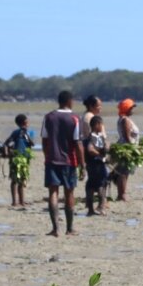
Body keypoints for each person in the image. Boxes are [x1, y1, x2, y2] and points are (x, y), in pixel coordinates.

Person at [42, 90, 85, 237]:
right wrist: (82, 164)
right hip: (69, 161)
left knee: (53, 192)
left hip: (51, 160)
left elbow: (44, 140)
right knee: (69, 193)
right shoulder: (74, 118)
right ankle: (69, 228)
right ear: (69, 101)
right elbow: (78, 143)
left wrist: (47, 156)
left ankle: (55, 229)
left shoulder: (48, 117)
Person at [3, 113, 34, 207]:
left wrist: (27, 135)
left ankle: (22, 201)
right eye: (27, 121)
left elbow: (32, 144)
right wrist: (7, 153)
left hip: (25, 159)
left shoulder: (28, 133)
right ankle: (14, 201)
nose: (28, 123)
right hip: (16, 158)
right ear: (25, 122)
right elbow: (6, 143)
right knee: (15, 180)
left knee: (22, 180)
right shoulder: (16, 132)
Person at [113, 98, 140, 201]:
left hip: (126, 148)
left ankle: (122, 194)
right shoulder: (125, 120)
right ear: (127, 108)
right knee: (123, 172)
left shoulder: (123, 119)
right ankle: (122, 195)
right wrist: (132, 149)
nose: (133, 109)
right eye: (131, 107)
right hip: (126, 149)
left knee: (125, 171)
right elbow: (127, 136)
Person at [84, 115, 109, 216]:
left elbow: (105, 146)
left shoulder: (100, 136)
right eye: (101, 124)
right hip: (96, 164)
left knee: (91, 184)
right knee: (101, 185)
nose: (102, 126)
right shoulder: (92, 137)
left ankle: (91, 209)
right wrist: (99, 155)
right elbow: (90, 149)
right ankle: (100, 207)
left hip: (94, 164)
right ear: (97, 125)